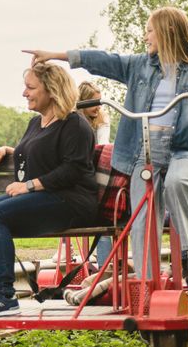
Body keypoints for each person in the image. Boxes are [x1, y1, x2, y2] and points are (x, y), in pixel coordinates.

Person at [24, 6, 188, 282]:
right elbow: (103, 60)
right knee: (143, 219)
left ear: (167, 31)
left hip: (182, 150)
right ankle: (147, 284)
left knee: (178, 183)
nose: (145, 37)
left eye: (149, 30)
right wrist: (57, 56)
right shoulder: (138, 66)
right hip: (143, 153)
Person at [0, 62, 97, 317]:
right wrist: (11, 152)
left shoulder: (75, 125)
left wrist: (29, 185)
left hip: (70, 201)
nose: (25, 93)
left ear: (52, 90)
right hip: (42, 196)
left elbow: (74, 169)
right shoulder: (37, 123)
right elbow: (42, 154)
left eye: (30, 87)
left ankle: (3, 296)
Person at [78, 81, 113, 268]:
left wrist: (103, 122)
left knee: (104, 215)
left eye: (100, 102)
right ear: (82, 101)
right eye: (93, 102)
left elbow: (103, 146)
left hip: (94, 172)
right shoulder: (75, 120)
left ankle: (104, 265)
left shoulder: (101, 119)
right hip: (81, 176)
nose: (98, 107)